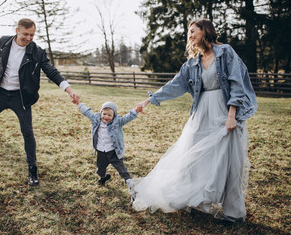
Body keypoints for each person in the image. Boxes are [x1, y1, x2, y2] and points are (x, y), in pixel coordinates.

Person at [129, 18, 257, 222]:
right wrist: (150, 100)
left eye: (193, 30)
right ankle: (196, 199)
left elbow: (237, 83)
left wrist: (232, 115)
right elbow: (174, 84)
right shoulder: (192, 63)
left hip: (224, 113)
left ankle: (234, 213)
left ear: (205, 31)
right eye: (188, 32)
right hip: (201, 115)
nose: (189, 35)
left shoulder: (225, 52)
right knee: (193, 157)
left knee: (229, 162)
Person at [0, 18, 79, 186]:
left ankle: (32, 170)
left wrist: (69, 90)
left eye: (32, 35)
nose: (29, 38)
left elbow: (52, 72)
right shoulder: (3, 42)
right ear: (17, 30)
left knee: (27, 133)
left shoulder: (37, 52)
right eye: (26, 34)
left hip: (20, 97)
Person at [73, 97, 141, 186]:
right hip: (101, 151)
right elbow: (86, 112)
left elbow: (128, 117)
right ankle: (104, 177)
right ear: (101, 112)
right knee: (100, 170)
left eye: (109, 115)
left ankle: (132, 187)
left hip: (114, 152)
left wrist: (136, 110)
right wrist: (79, 103)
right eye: (104, 114)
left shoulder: (118, 122)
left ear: (114, 116)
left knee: (123, 171)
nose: (106, 117)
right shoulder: (96, 119)